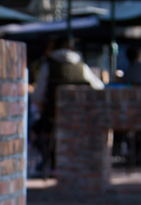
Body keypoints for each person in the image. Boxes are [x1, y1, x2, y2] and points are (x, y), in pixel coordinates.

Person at [30, 35, 104, 176]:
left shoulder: (48, 65)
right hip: (80, 118)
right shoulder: (81, 66)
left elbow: (37, 96)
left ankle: (51, 164)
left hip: (53, 117)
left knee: (35, 131)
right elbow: (99, 87)